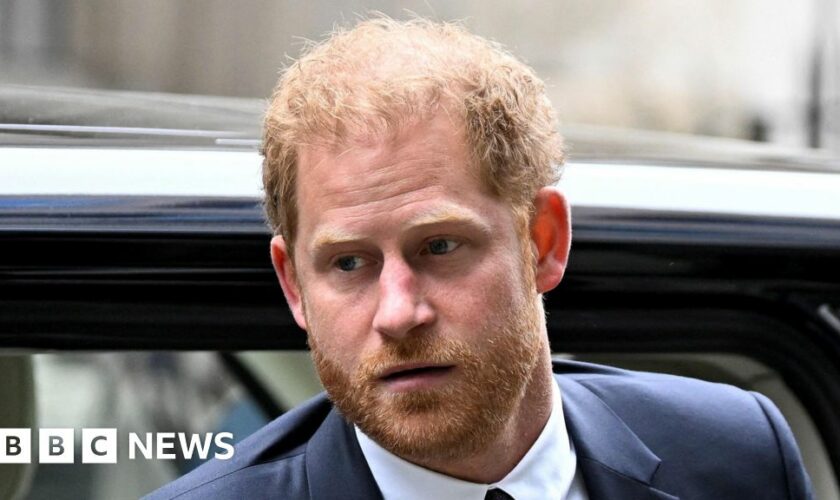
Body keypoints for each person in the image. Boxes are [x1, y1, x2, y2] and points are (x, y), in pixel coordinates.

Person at [146, 17, 814, 500]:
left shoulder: (736, 455)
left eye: (439, 247)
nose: (399, 312)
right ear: (294, 286)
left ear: (542, 241)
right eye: (349, 263)